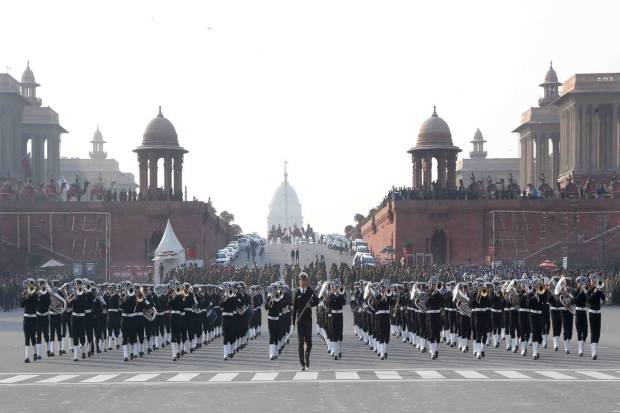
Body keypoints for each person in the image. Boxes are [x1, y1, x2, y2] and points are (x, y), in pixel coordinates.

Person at [292, 272, 319, 370]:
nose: (302, 282)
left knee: (309, 342)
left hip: (308, 320)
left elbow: (317, 301)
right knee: (300, 343)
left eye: (304, 280)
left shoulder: (310, 291)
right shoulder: (297, 292)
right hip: (299, 321)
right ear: (299, 282)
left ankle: (307, 356)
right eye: (301, 280)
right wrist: (293, 322)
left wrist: (310, 305)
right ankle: (302, 364)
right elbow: (294, 308)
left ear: (306, 281)